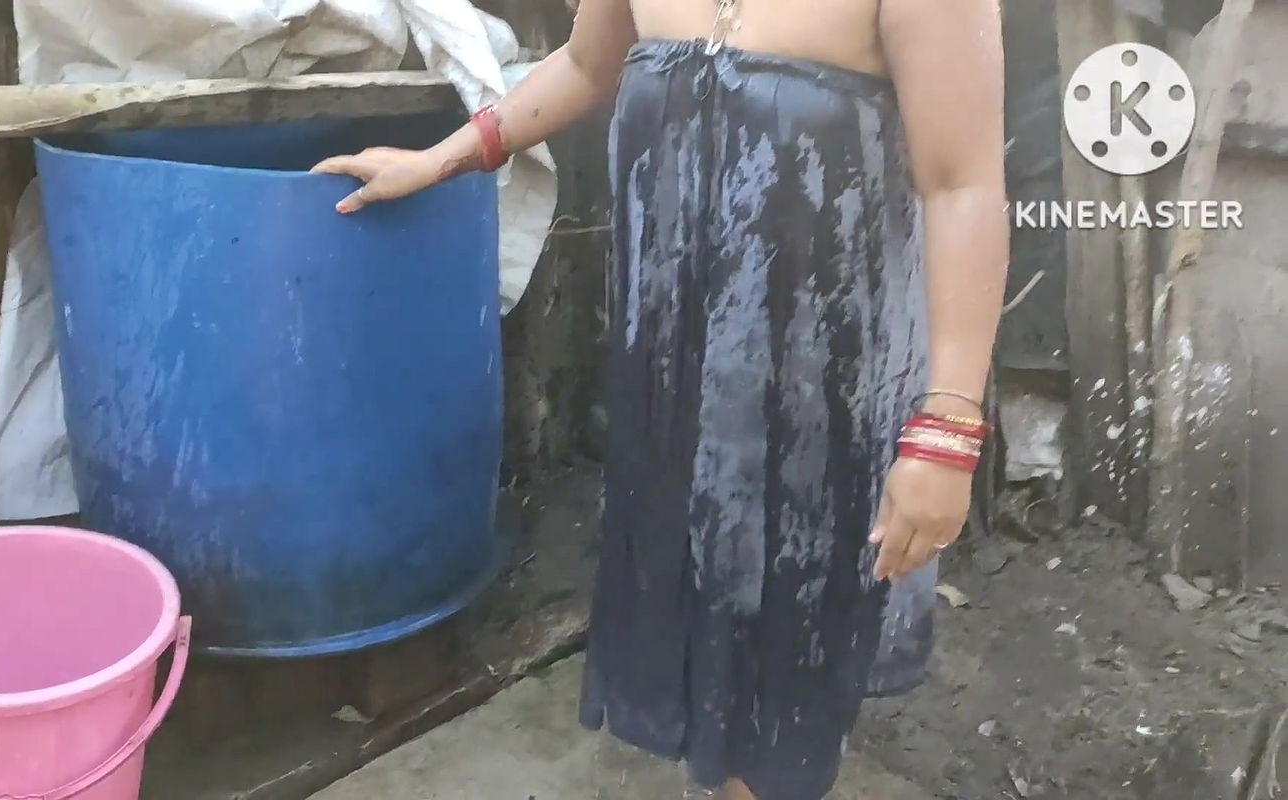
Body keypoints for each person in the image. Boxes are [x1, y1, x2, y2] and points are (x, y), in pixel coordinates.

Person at [313, 0, 1008, 797]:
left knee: (781, 681)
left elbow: (962, 186)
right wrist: (443, 157)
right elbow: (584, 66)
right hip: (676, 384)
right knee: (699, 652)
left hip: (825, 405)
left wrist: (947, 429)